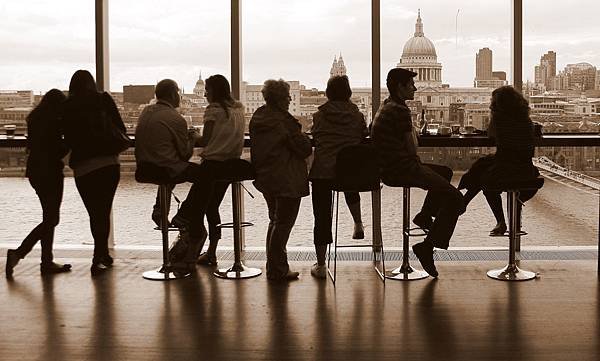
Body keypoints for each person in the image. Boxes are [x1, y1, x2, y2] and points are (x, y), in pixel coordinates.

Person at [371, 68, 464, 277]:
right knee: (457, 199)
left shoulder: (386, 106)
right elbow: (413, 148)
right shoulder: (401, 111)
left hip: (389, 168)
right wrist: (413, 130)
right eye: (410, 85)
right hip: (403, 169)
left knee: (446, 172)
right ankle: (427, 246)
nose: (415, 87)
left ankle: (424, 215)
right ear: (399, 87)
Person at [136, 79, 224, 271]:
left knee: (173, 170)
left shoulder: (145, 112)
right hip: (165, 168)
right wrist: (191, 139)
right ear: (172, 94)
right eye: (178, 93)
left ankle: (160, 208)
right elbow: (184, 154)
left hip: (144, 168)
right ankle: (186, 214)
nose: (180, 97)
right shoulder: (176, 119)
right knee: (206, 175)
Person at [62, 70, 125, 276]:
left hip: (84, 168)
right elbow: (120, 128)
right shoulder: (103, 99)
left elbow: (68, 138)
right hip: (108, 164)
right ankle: (100, 255)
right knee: (104, 211)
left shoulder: (68, 106)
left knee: (94, 213)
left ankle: (101, 254)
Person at [249, 79, 312, 281]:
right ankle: (278, 269)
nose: (289, 100)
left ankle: (274, 266)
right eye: (287, 97)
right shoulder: (284, 122)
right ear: (279, 99)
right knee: (284, 223)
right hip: (287, 177)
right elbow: (303, 148)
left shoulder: (258, 117)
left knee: (275, 221)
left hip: (266, 177)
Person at [6, 89, 72, 277]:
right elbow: (57, 150)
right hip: (50, 172)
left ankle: (46, 261)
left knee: (49, 217)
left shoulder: (35, 119)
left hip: (36, 172)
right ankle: (19, 253)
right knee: (52, 219)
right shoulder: (53, 122)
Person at [308, 75, 368, 279]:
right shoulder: (357, 116)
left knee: (321, 216)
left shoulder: (319, 116)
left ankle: (322, 264)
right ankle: (358, 222)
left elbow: (315, 136)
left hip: (323, 172)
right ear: (349, 93)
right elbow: (362, 136)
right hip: (350, 173)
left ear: (328, 93)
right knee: (347, 170)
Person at [459, 86, 540, 235]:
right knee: (483, 168)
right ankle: (513, 224)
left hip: (505, 170)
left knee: (485, 179)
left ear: (498, 104)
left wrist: (493, 116)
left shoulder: (499, 119)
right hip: (526, 171)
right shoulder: (528, 122)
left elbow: (491, 135)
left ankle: (499, 221)